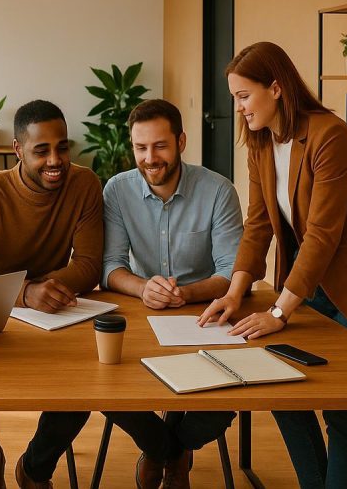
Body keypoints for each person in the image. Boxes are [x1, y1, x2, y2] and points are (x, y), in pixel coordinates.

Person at [199, 42, 347, 489]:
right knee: (283, 392)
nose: (239, 108)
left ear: (275, 89)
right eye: (234, 98)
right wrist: (235, 293)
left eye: (244, 96)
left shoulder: (328, 135)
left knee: (343, 408)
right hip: (310, 281)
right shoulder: (260, 143)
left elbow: (322, 233)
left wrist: (279, 312)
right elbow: (257, 225)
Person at [0, 99, 103, 489]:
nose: (56, 160)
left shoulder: (84, 184)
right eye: (41, 150)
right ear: (18, 150)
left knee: (90, 381)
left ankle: (35, 469)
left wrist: (44, 290)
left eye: (63, 147)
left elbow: (88, 265)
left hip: (56, 313)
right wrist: (25, 291)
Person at [100, 99, 241, 488]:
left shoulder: (218, 191)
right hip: (143, 319)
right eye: (140, 148)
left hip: (206, 318)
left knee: (229, 397)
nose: (150, 158)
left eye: (160, 146)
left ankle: (169, 448)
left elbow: (231, 272)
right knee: (100, 385)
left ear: (181, 141)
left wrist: (189, 293)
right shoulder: (117, 190)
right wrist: (144, 287)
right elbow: (110, 267)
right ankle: (168, 451)